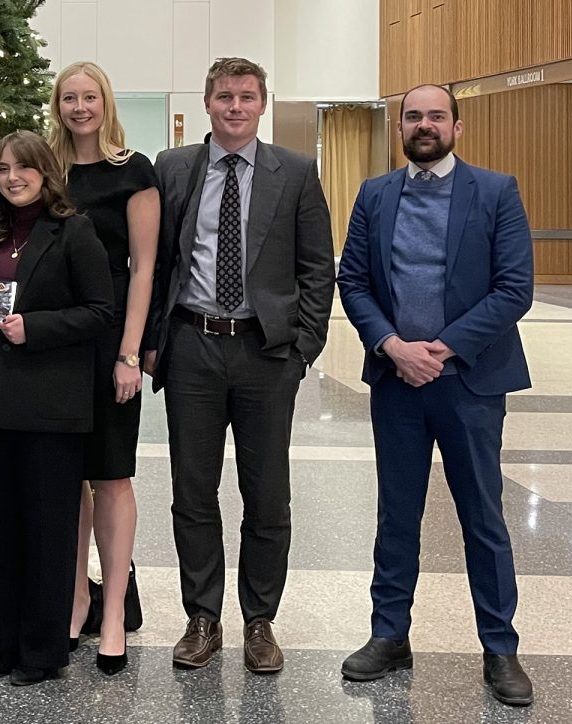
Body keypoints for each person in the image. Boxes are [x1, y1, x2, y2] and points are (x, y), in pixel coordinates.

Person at [336, 84, 534, 706]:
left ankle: (500, 648)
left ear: (458, 125)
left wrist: (441, 348)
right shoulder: (374, 193)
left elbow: (514, 288)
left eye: (436, 115)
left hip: (470, 383)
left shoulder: (496, 192)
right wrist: (394, 346)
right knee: (397, 516)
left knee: (483, 517)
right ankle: (389, 634)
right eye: (414, 115)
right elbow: (353, 279)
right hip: (397, 382)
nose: (425, 124)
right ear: (400, 125)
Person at [143, 57, 334, 674]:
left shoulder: (297, 172)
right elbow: (159, 263)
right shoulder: (174, 168)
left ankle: (259, 621)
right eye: (224, 96)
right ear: (207, 103)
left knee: (267, 495)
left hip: (266, 352)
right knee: (192, 490)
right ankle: (203, 616)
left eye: (246, 97)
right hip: (193, 346)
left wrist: (303, 347)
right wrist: (152, 343)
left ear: (261, 104)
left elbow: (316, 267)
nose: (234, 107)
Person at [0, 130, 113, 686]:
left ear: (45, 172)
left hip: (52, 405)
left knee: (49, 531)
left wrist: (38, 328)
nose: (12, 178)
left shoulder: (74, 232)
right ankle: (1, 642)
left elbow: (100, 312)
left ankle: (43, 651)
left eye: (23, 168)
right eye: (3, 169)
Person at [47, 61, 159, 675]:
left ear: (105, 102)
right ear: (58, 105)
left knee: (112, 476)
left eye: (90, 97)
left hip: (112, 339)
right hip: (58, 341)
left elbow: (144, 268)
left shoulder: (132, 171)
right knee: (70, 476)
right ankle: (76, 597)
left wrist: (128, 353)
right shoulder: (48, 170)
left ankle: (113, 611)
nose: (81, 107)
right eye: (70, 98)